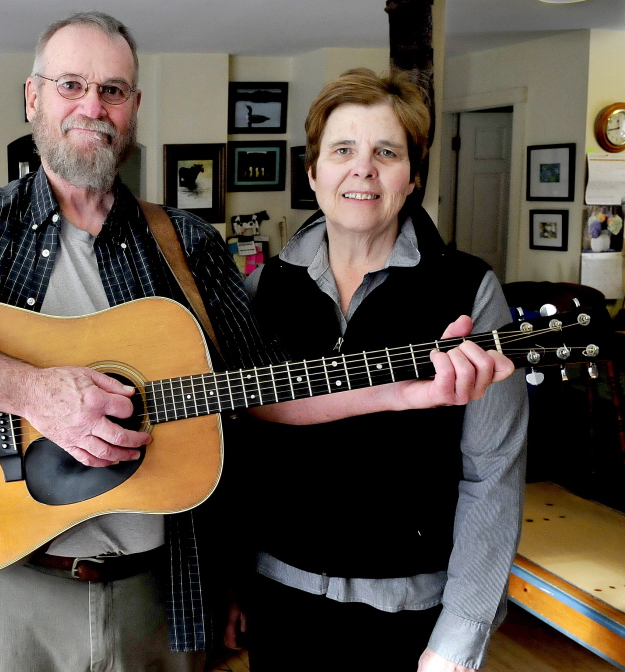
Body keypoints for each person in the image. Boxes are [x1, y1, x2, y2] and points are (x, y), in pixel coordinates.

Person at [0, 14, 512, 672]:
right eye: (70, 84)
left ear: (133, 107)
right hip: (11, 588)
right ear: (32, 97)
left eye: (112, 90)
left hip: (157, 594)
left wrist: (397, 392)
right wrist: (34, 392)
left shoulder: (188, 246)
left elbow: (260, 390)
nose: (91, 106)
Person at [236, 68, 528, 672]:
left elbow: (492, 476)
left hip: (411, 616)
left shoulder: (468, 291)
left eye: (386, 152)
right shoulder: (262, 288)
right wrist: (233, 582)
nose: (362, 169)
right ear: (313, 172)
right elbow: (237, 449)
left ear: (412, 176)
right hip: (277, 601)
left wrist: (461, 634)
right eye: (343, 150)